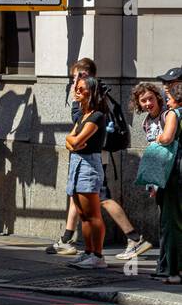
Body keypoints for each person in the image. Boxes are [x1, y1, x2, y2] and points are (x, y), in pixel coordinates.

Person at [47, 58, 151, 259]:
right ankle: (67, 239)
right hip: (86, 156)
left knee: (101, 198)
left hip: (93, 157)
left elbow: (77, 131)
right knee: (79, 196)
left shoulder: (94, 99)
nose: (75, 83)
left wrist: (73, 134)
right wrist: (72, 139)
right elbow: (72, 137)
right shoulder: (89, 97)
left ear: (87, 77)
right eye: (73, 78)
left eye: (78, 77)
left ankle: (134, 238)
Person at [65, 75, 109, 269]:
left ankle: (98, 256)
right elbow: (70, 141)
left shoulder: (96, 116)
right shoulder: (83, 116)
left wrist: (73, 141)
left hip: (89, 165)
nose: (77, 91)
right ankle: (88, 252)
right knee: (83, 214)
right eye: (77, 88)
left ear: (91, 92)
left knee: (93, 214)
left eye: (82, 89)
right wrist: (72, 141)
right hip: (77, 164)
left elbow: (75, 141)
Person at [131, 82, 167, 274]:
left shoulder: (166, 116)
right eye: (143, 100)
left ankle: (166, 264)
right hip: (157, 176)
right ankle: (165, 262)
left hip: (169, 173)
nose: (147, 103)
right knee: (163, 220)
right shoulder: (147, 122)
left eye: (150, 99)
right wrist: (152, 184)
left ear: (157, 97)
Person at [152, 80, 182, 284]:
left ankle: (174, 272)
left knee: (172, 221)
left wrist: (158, 137)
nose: (167, 102)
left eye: (169, 98)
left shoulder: (175, 113)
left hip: (177, 170)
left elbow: (168, 138)